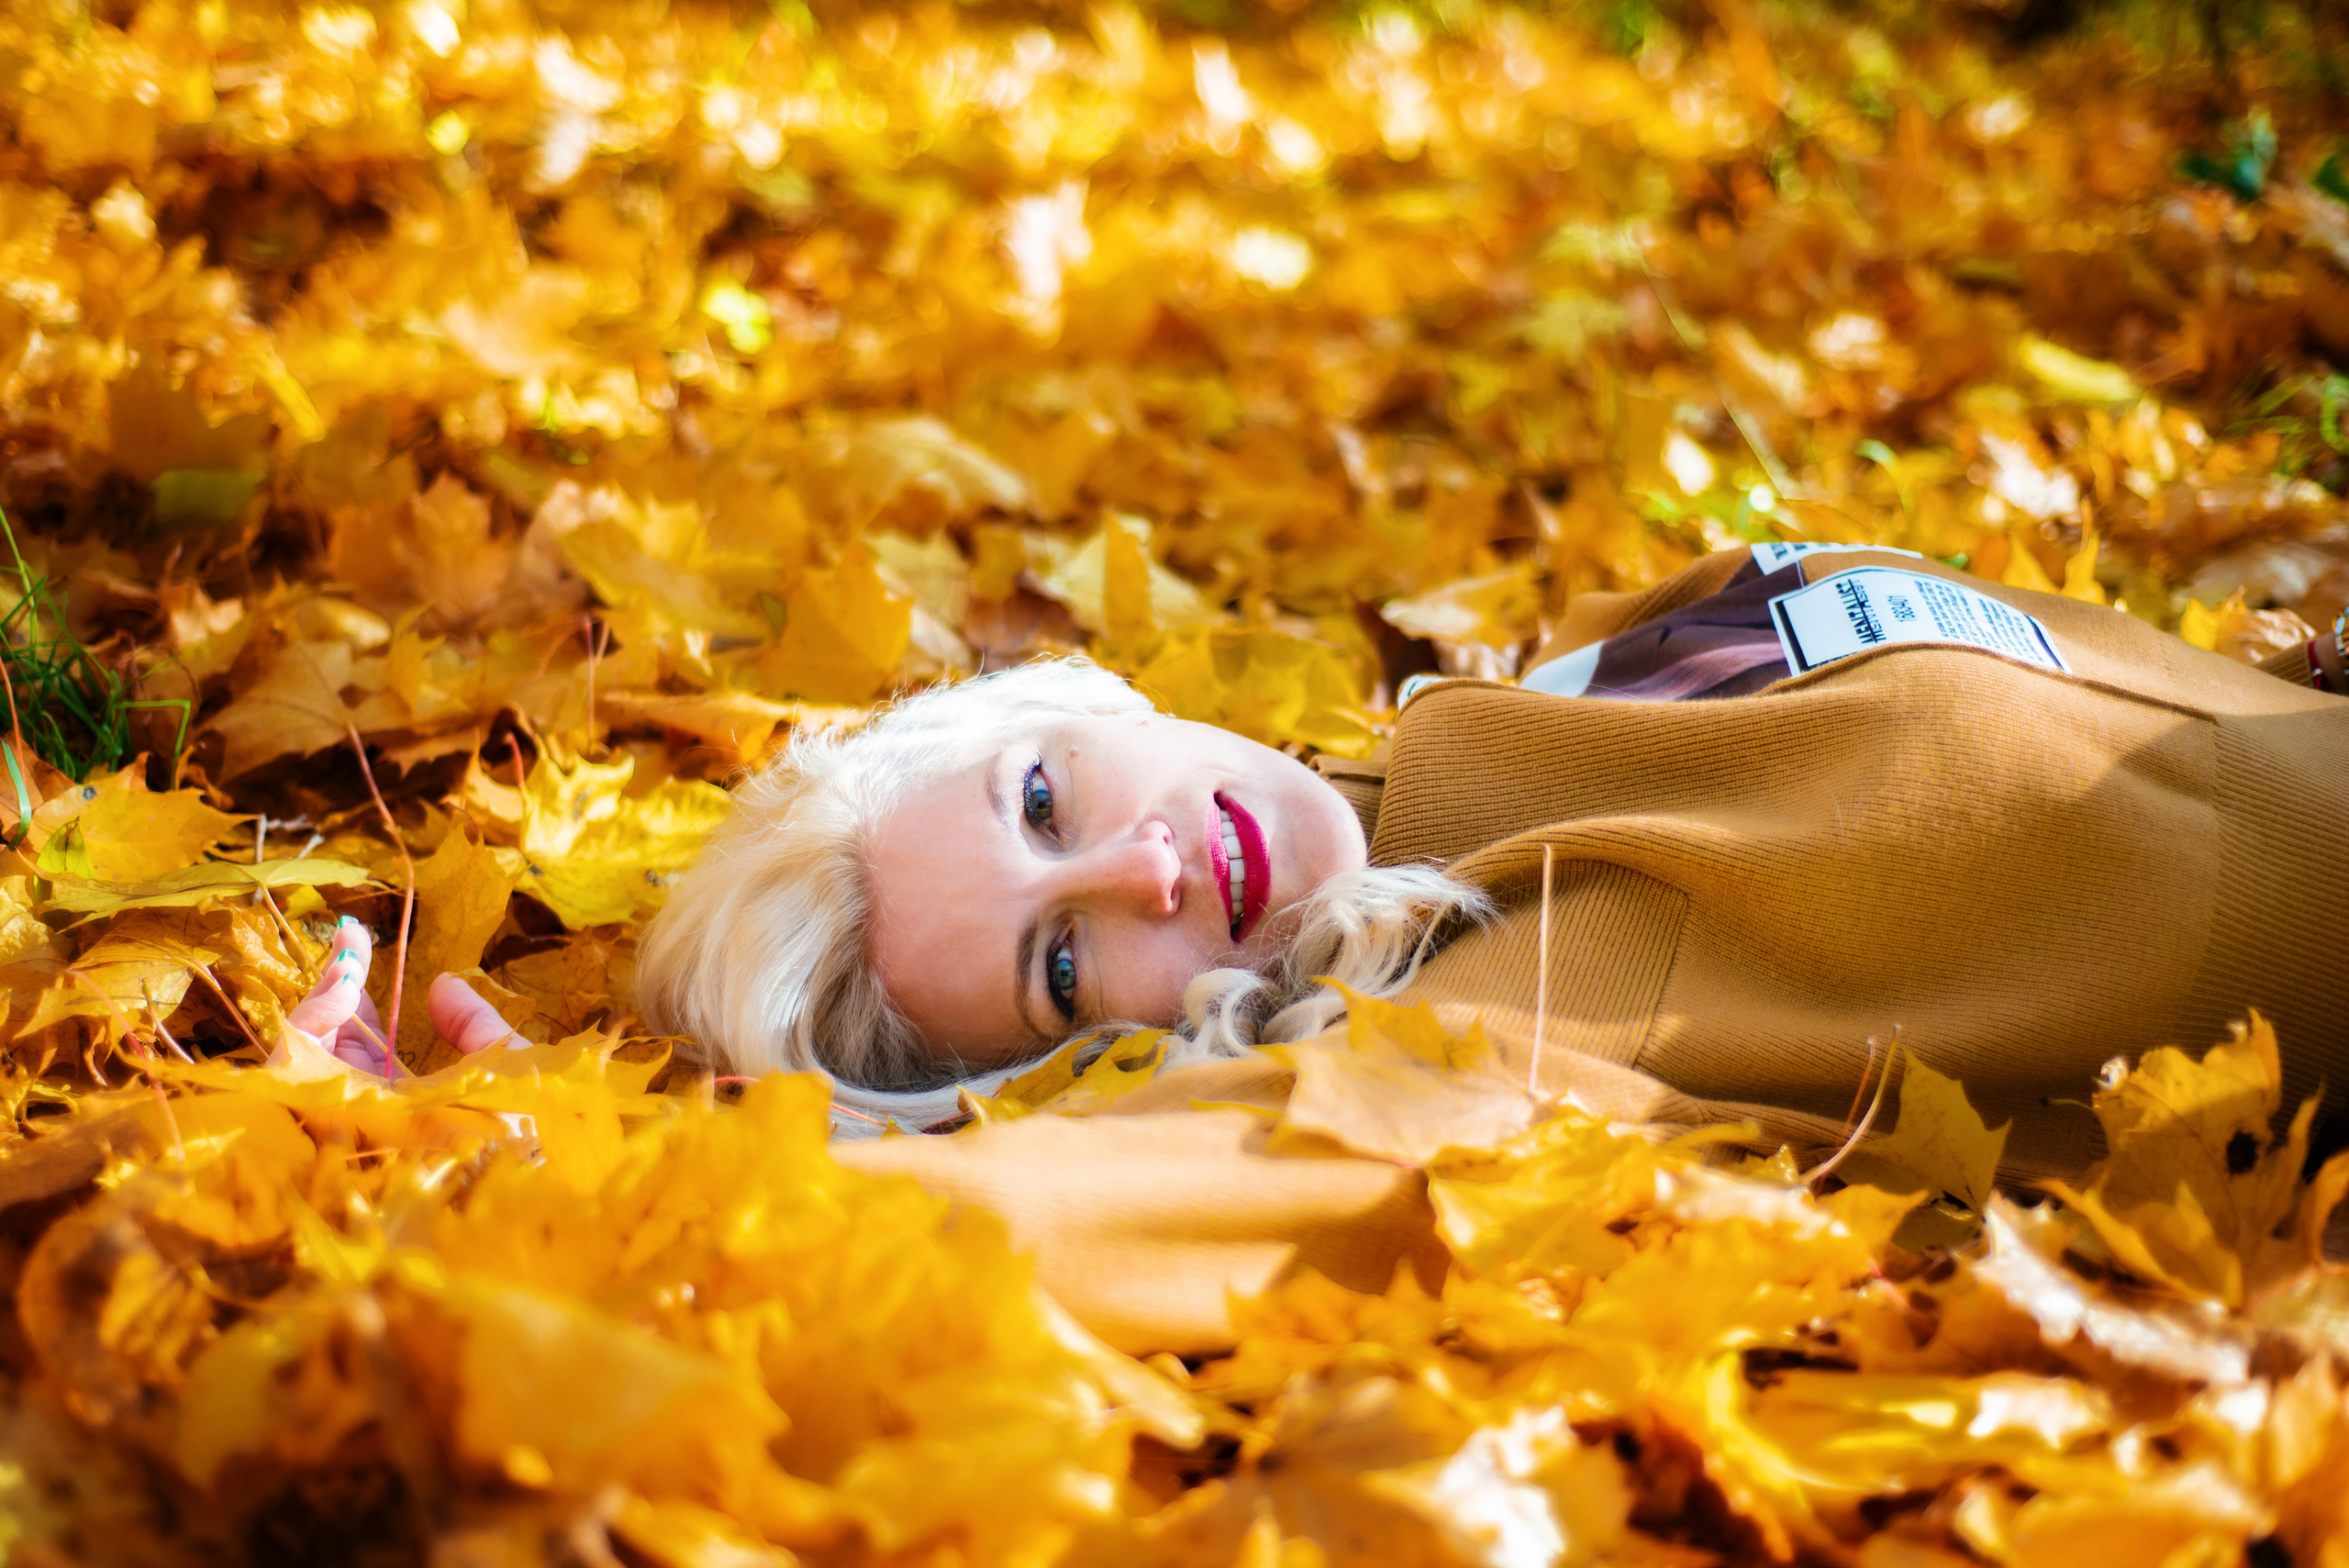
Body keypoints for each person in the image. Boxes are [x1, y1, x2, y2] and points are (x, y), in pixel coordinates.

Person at [297, 544, 2349, 1351]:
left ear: (1067, 702)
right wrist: (550, 1190)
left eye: (1040, 801)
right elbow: (1061, 1218)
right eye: (1058, 972)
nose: (1142, 876)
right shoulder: (1532, 987)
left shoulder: (1530, 722)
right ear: (1075, 1069)